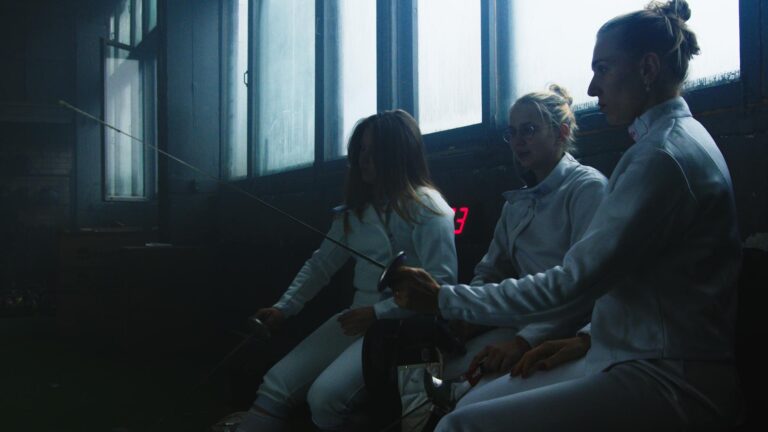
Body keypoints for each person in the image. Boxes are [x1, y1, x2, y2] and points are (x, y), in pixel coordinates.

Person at [391, 1, 744, 430]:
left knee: (458, 426)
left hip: (667, 376)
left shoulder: (661, 156)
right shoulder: (667, 144)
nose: (593, 89)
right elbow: (652, 291)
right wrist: (585, 339)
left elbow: (575, 282)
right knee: (464, 407)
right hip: (624, 351)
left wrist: (446, 298)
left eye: (603, 69)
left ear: (648, 69)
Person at [360, 85, 607, 429]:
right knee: (429, 363)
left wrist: (523, 341)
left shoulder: (588, 189)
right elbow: (491, 269)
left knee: (464, 403)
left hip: (569, 332)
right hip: (517, 321)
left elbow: (581, 289)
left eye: (529, 130)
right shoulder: (517, 203)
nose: (518, 140)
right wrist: (467, 318)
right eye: (513, 132)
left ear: (562, 132)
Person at [236, 110, 458, 432]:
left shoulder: (428, 207)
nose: (364, 161)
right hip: (356, 317)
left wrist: (379, 312)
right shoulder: (354, 214)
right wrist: (284, 308)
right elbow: (321, 264)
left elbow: (442, 284)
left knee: (325, 398)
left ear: (396, 153)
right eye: (360, 152)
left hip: (403, 326)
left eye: (372, 152)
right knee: (276, 384)